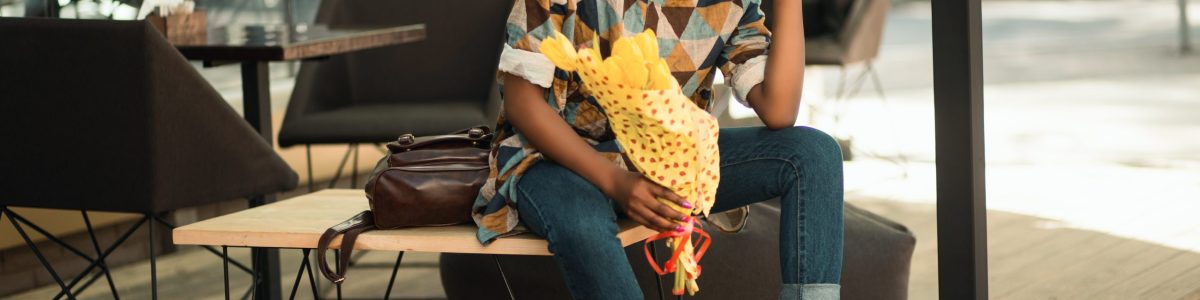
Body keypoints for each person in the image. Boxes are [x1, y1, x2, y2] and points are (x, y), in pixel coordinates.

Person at [472, 0, 844, 299]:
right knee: (582, 222)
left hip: (668, 163)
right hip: (556, 160)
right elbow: (523, 104)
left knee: (813, 155)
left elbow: (779, 109)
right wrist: (617, 182)